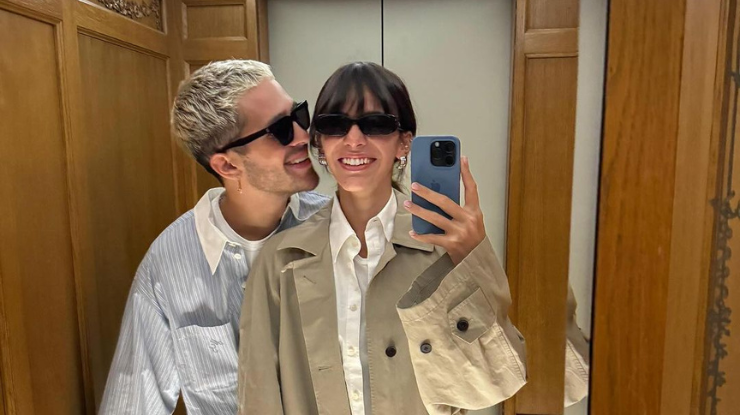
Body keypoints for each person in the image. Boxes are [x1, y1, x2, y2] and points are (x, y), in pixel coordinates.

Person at [237, 62, 527, 415]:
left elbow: (495, 383)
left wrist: (474, 260)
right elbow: (258, 393)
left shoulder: (443, 250)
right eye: (335, 125)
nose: (354, 140)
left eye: (376, 124)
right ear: (319, 143)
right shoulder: (280, 260)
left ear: (404, 142)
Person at [99, 60, 328, 414]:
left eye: (299, 115)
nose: (303, 136)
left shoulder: (336, 226)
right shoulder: (169, 264)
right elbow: (133, 402)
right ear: (227, 165)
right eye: (281, 129)